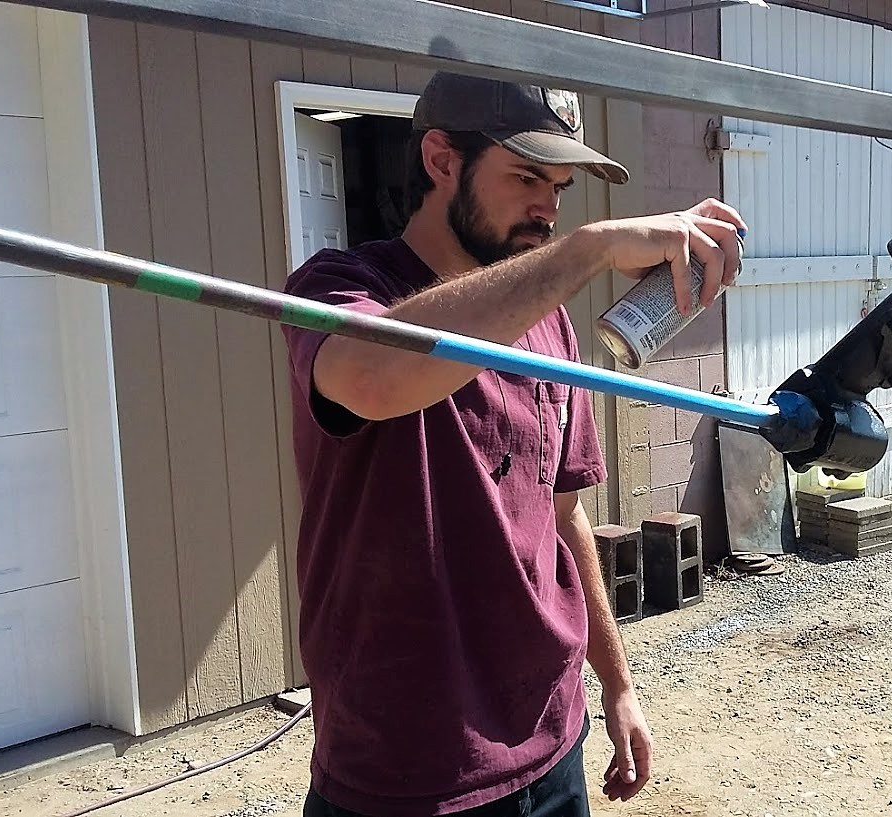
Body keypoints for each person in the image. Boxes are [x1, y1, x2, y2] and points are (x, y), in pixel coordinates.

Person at [282, 71, 746, 817]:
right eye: (526, 176)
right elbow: (371, 376)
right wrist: (588, 249)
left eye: (560, 186)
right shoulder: (339, 286)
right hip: (409, 761)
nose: (548, 206)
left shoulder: (549, 323)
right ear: (440, 160)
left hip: (551, 737)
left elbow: (564, 517)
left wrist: (617, 684)